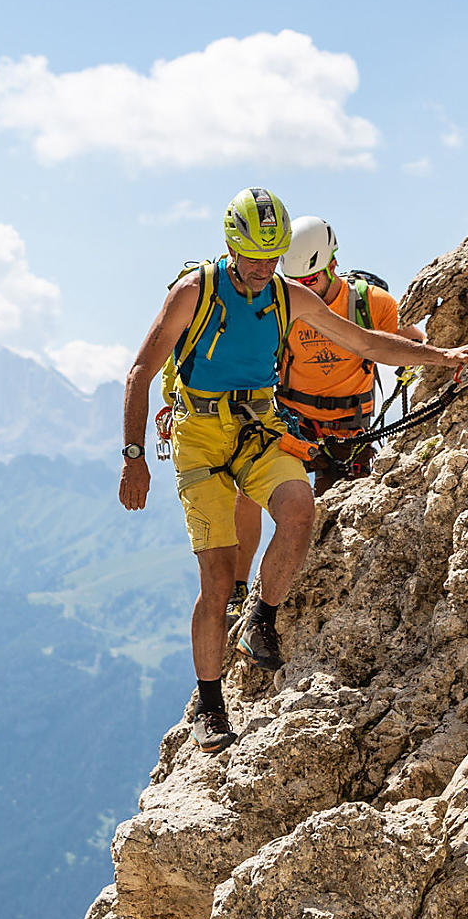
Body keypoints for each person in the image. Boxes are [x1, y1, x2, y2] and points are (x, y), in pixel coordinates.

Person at [119, 187, 468, 755]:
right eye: (253, 257)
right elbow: (140, 371)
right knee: (214, 578)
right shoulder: (195, 292)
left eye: (272, 257)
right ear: (232, 246)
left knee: (299, 512)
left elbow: (365, 343)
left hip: (258, 426)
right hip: (200, 437)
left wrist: (444, 359)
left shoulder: (286, 297)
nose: (263, 269)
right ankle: (211, 707)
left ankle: (263, 614)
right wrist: (133, 457)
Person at [224, 215, 426, 625]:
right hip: (294, 423)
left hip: (348, 432)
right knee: (248, 489)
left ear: (332, 265)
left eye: (312, 280)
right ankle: (238, 588)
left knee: (332, 521)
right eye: (297, 282)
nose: (304, 290)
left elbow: (403, 342)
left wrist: (432, 357)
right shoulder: (284, 304)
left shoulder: (372, 305)